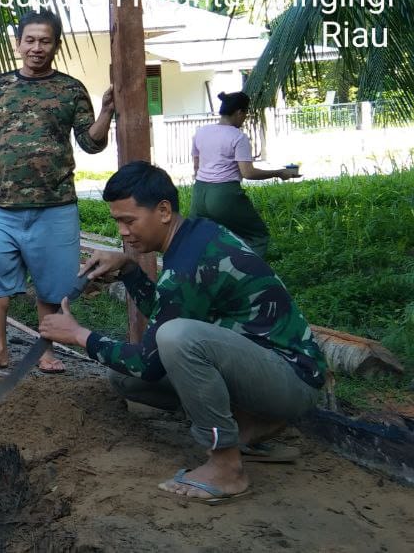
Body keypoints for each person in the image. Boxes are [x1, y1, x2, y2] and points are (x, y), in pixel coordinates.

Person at [39, 161, 326, 504]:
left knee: (177, 339)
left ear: (163, 211)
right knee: (125, 379)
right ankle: (250, 427)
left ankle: (226, 466)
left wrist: (78, 335)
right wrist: (130, 270)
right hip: (263, 369)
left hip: (292, 380)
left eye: (128, 220)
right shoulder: (195, 236)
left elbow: (151, 359)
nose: (123, 232)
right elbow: (168, 312)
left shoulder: (191, 263)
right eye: (117, 221)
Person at [0, 8, 113, 373]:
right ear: (18, 44)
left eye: (45, 41)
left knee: (52, 282)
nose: (37, 47)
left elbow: (91, 144)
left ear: (56, 45)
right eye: (30, 40)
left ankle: (46, 351)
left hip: (56, 206)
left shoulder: (71, 89)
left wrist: (107, 112)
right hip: (3, 205)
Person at [191, 91, 300, 257]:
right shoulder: (238, 137)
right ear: (239, 112)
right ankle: (249, 277)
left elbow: (196, 166)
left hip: (199, 194)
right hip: (224, 195)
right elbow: (248, 173)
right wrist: (279, 172)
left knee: (207, 238)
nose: (245, 119)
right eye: (245, 114)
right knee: (258, 235)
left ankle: (207, 276)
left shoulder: (201, 132)